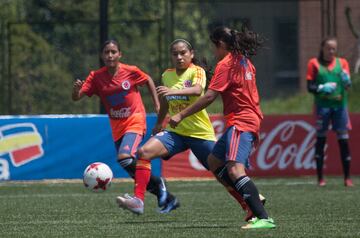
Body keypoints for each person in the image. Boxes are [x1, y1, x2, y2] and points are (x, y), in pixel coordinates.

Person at [116, 39, 264, 219]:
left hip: (199, 133)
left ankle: (248, 204)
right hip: (176, 132)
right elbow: (165, 101)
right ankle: (138, 201)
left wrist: (172, 92)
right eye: (175, 54)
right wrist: (159, 122)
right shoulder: (167, 75)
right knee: (143, 152)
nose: (179, 57)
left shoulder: (197, 71)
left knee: (220, 172)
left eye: (183, 53)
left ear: (191, 54)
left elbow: (197, 90)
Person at [169, 27, 276, 229]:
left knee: (235, 170)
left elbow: (209, 97)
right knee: (214, 161)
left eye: (214, 46)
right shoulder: (244, 60)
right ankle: (251, 202)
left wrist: (181, 114)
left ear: (220, 44)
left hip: (241, 121)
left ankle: (263, 217)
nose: (213, 51)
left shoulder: (226, 64)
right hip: (248, 118)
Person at [72, 39, 178, 213]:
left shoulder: (131, 71)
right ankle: (162, 191)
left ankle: (139, 200)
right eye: (106, 52)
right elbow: (77, 97)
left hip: (135, 119)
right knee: (128, 165)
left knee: (124, 156)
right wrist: (76, 91)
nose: (110, 55)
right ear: (101, 56)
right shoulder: (96, 77)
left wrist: (158, 105)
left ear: (120, 54)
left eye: (113, 52)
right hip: (117, 126)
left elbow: (149, 80)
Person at [306, 37, 354, 187]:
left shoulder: (343, 63)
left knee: (343, 139)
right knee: (321, 139)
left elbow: (347, 86)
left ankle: (347, 178)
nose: (331, 51)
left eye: (334, 48)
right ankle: (320, 178)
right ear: (322, 48)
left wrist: (347, 82)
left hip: (340, 106)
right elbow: (310, 86)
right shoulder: (313, 63)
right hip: (322, 106)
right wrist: (321, 87)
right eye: (328, 48)